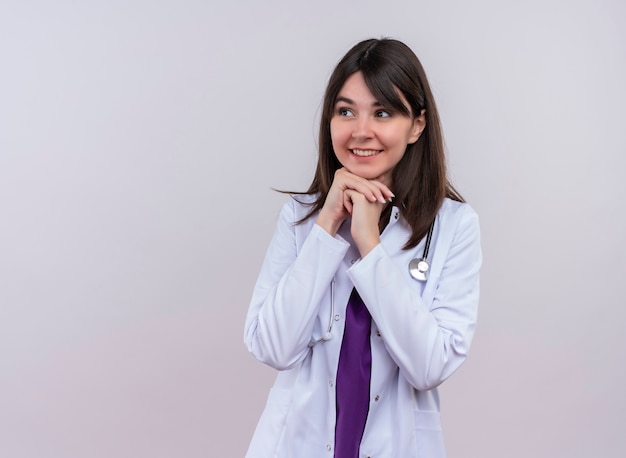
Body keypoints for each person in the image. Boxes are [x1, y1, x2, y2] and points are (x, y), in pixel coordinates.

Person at [243, 37, 481, 458]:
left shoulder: (454, 227)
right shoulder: (300, 218)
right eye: (346, 111)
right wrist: (326, 229)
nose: (361, 131)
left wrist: (369, 245)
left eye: (383, 112)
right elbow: (271, 347)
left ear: (417, 125)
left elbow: (430, 366)